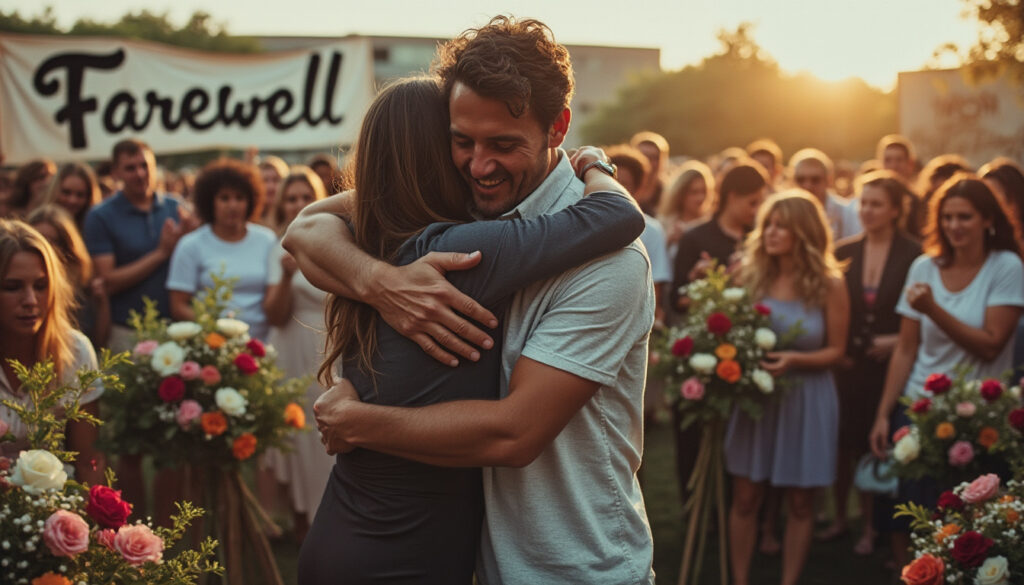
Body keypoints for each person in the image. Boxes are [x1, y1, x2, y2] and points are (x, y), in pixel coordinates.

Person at [288, 16, 656, 584]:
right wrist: (381, 283)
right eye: (462, 143)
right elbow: (306, 229)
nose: (479, 166)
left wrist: (359, 422)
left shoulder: (608, 262)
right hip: (477, 561)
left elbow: (513, 433)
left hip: (574, 566)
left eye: (503, 145)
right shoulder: (460, 215)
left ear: (557, 127)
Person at [868, 173, 1024, 569]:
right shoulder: (923, 267)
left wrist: (934, 309)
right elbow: (906, 348)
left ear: (988, 220)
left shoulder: (1005, 266)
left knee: (976, 520)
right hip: (922, 406)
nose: (955, 226)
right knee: (915, 509)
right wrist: (885, 412)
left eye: (965, 217)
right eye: (948, 217)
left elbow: (992, 342)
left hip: (983, 414)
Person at [725, 191, 849, 585]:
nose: (771, 233)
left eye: (781, 225)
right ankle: (740, 579)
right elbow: (727, 330)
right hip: (757, 398)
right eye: (769, 225)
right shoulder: (748, 274)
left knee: (800, 501)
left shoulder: (830, 283)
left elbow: (837, 350)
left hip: (808, 397)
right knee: (745, 497)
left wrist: (794, 360)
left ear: (803, 231)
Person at [821, 170, 921, 555]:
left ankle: (874, 526)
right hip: (849, 365)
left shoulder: (915, 253)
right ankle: (841, 518)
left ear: (896, 210)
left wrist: (897, 339)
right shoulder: (844, 251)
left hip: (894, 365)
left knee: (878, 445)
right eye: (863, 202)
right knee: (844, 444)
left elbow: (923, 314)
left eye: (877, 204)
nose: (867, 210)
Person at [0, 219, 105, 486]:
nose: (31, 300)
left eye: (41, 285)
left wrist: (95, 521)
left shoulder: (75, 351)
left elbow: (88, 459)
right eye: (13, 287)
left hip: (51, 507)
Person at [260, 165, 331, 541]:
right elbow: (272, 313)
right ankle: (303, 522)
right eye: (292, 198)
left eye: (306, 196)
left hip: (330, 347)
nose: (299, 204)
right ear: (282, 205)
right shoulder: (280, 246)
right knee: (299, 436)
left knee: (328, 437)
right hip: (291, 346)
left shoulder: (340, 239)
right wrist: (286, 276)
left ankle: (329, 521)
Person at [166, 159, 276, 341]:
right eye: (224, 198)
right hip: (212, 348)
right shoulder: (190, 245)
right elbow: (178, 306)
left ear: (250, 201)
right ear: (210, 201)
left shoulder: (267, 240)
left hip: (264, 345)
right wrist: (218, 329)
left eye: (239, 198)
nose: (232, 205)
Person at [26, 205, 110, 348]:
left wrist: (102, 303)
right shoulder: (20, 287)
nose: (46, 248)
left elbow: (99, 340)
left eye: (54, 241)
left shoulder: (84, 285)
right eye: (38, 240)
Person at [607, 144, 671, 323]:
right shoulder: (583, 224)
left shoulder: (651, 230)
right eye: (610, 179)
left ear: (639, 189)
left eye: (624, 184)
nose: (615, 188)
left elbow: (655, 288)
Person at [788, 148, 862, 240]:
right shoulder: (784, 216)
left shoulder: (848, 213)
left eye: (815, 180)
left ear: (829, 180)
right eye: (800, 180)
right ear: (791, 182)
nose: (807, 186)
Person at [658, 159, 714, 263]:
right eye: (694, 192)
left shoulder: (711, 224)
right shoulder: (664, 223)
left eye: (704, 191)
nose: (700, 198)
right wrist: (668, 240)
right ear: (681, 194)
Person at [43, 163, 103, 230]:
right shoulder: (40, 225)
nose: (72, 200)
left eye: (80, 195)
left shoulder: (98, 229)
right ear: (54, 191)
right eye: (66, 192)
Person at [630, 130, 670, 215]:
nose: (648, 162)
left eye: (654, 157)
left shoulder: (667, 192)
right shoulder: (623, 185)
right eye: (643, 156)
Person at [258, 156, 291, 227]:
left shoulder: (292, 220)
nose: (271, 186)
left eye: (276, 180)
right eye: (265, 180)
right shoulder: (250, 222)